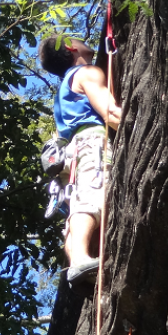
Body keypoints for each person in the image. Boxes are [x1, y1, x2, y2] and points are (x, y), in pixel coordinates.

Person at [39, 36, 121, 286]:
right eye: (77, 38)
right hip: (90, 141)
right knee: (92, 192)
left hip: (69, 155)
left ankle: (77, 258)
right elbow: (109, 111)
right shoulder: (86, 72)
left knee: (77, 200)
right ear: (69, 47)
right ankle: (81, 260)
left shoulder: (64, 88)